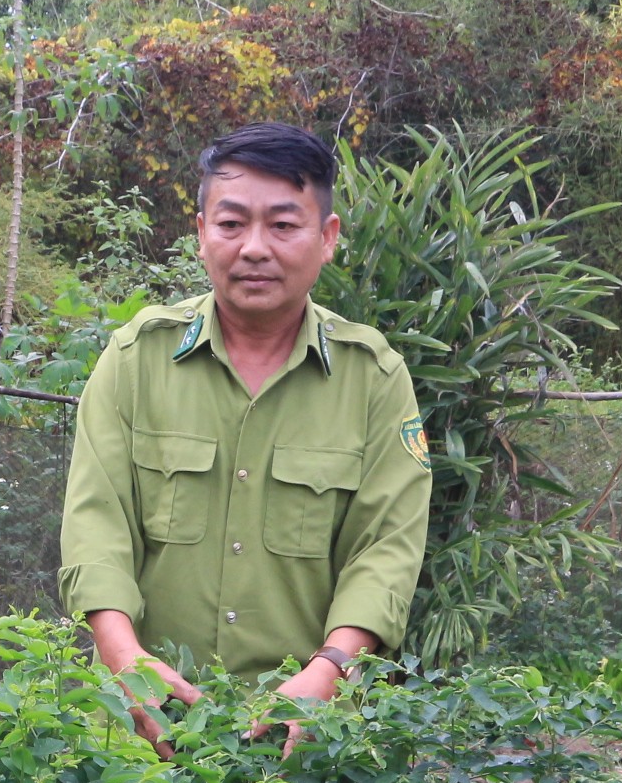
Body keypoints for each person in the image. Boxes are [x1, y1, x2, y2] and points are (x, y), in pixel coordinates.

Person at [59, 121, 432, 749]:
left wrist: (329, 671)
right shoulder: (135, 359)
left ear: (327, 237)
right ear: (201, 233)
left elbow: (385, 550)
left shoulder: (373, 377)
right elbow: (96, 524)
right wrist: (126, 661)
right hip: (144, 727)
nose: (255, 248)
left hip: (306, 735)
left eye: (283, 225)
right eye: (232, 224)